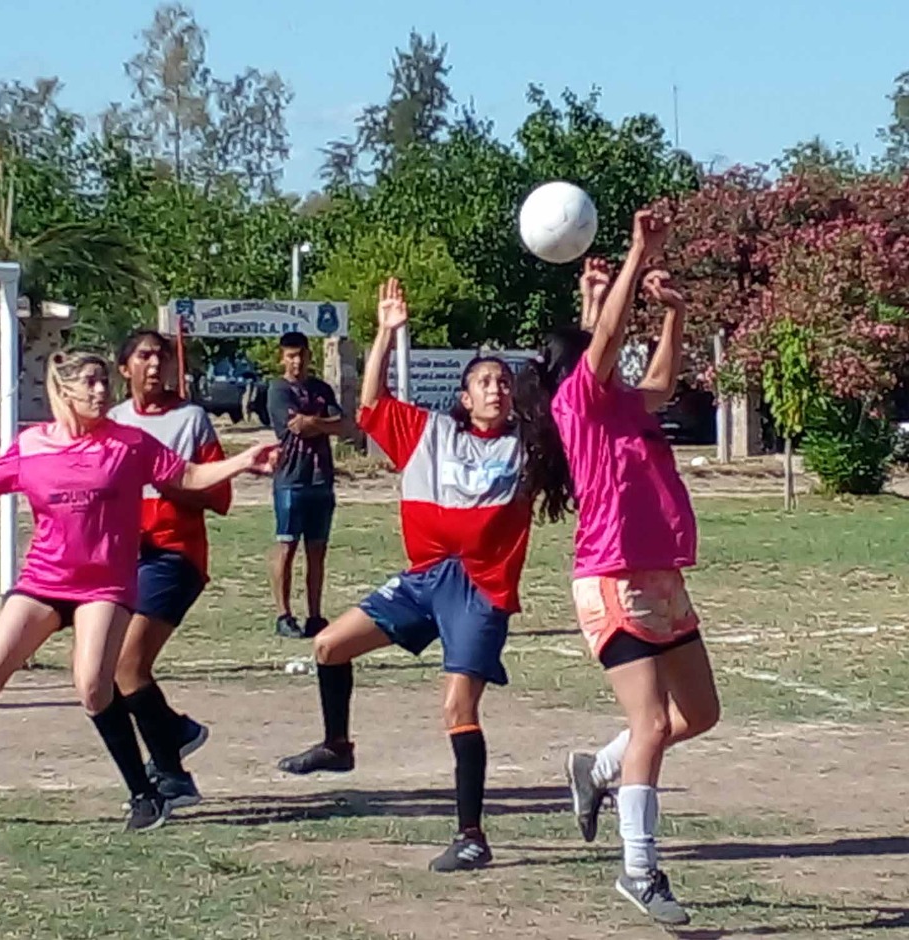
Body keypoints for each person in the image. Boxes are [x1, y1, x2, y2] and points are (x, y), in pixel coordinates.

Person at [0, 350, 276, 832]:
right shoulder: (31, 445)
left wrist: (243, 461)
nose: (101, 391)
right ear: (63, 390)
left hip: (104, 586)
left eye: (105, 381)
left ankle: (144, 794)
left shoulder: (129, 443)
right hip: (44, 581)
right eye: (90, 382)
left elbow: (188, 477)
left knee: (92, 686)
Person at [275, 278, 574, 872]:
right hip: (424, 578)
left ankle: (472, 836)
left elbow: (576, 394)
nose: (496, 388)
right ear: (463, 396)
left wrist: (587, 314)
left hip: (481, 590)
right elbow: (370, 405)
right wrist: (387, 332)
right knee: (329, 646)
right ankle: (338, 746)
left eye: (503, 382)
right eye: (485, 381)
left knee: (457, 709)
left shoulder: (529, 448)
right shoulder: (427, 434)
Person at [539, 211, 721, 926]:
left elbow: (663, 376)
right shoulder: (578, 403)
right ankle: (640, 871)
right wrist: (637, 251)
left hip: (660, 578)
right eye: (590, 350)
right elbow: (607, 337)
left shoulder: (628, 405)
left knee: (697, 714)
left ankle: (598, 768)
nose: (604, 354)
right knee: (651, 723)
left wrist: (673, 313)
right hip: (611, 579)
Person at [107, 330, 231, 810]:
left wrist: (169, 483)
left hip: (175, 556)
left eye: (161, 356)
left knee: (127, 665)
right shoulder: (112, 422)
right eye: (143, 355)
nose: (155, 364)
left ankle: (172, 765)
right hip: (121, 560)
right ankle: (174, 748)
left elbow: (219, 497)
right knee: (109, 671)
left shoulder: (191, 420)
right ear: (125, 368)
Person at [266, 330, 344, 639]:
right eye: (291, 356)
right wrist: (321, 424)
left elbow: (345, 424)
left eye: (301, 355)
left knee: (317, 550)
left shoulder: (322, 389)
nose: (297, 361)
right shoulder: (277, 390)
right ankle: (283, 614)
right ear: (282, 358)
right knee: (287, 546)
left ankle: (315, 614)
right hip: (291, 478)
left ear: (310, 356)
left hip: (321, 478)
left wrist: (315, 423)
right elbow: (294, 427)